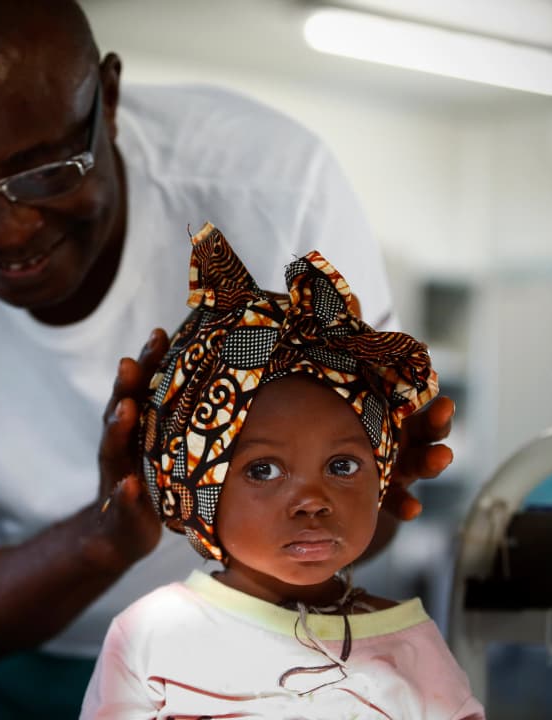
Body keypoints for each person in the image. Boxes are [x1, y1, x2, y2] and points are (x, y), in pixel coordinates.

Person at [0, 0, 456, 716]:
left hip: (234, 655)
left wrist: (372, 485)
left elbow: (367, 511)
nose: (9, 230)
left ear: (111, 98)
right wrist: (109, 532)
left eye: (45, 170)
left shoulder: (274, 192)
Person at [81, 224, 482, 718]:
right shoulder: (151, 637)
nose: (313, 499)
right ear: (191, 489)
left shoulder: (413, 648)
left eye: (342, 465)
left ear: (381, 476)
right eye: (263, 470)